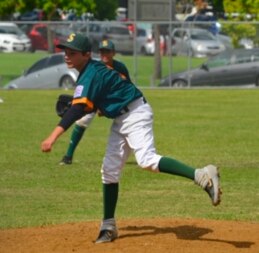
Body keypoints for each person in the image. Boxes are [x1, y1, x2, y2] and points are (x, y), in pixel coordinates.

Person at [41, 33, 222, 244]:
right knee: (109, 170)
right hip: (121, 118)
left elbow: (79, 108)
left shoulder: (90, 73)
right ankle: (108, 226)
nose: (66, 56)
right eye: (65, 51)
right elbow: (95, 102)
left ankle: (202, 175)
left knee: (146, 159)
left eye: (72, 52)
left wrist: (52, 137)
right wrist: (92, 106)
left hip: (135, 113)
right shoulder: (92, 71)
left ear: (86, 54)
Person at [60, 39, 131, 165]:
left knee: (127, 125)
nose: (104, 54)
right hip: (94, 100)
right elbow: (89, 89)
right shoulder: (95, 66)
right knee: (82, 122)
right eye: (102, 51)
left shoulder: (120, 67)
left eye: (107, 51)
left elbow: (126, 87)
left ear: (113, 53)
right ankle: (68, 156)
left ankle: (137, 153)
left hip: (113, 102)